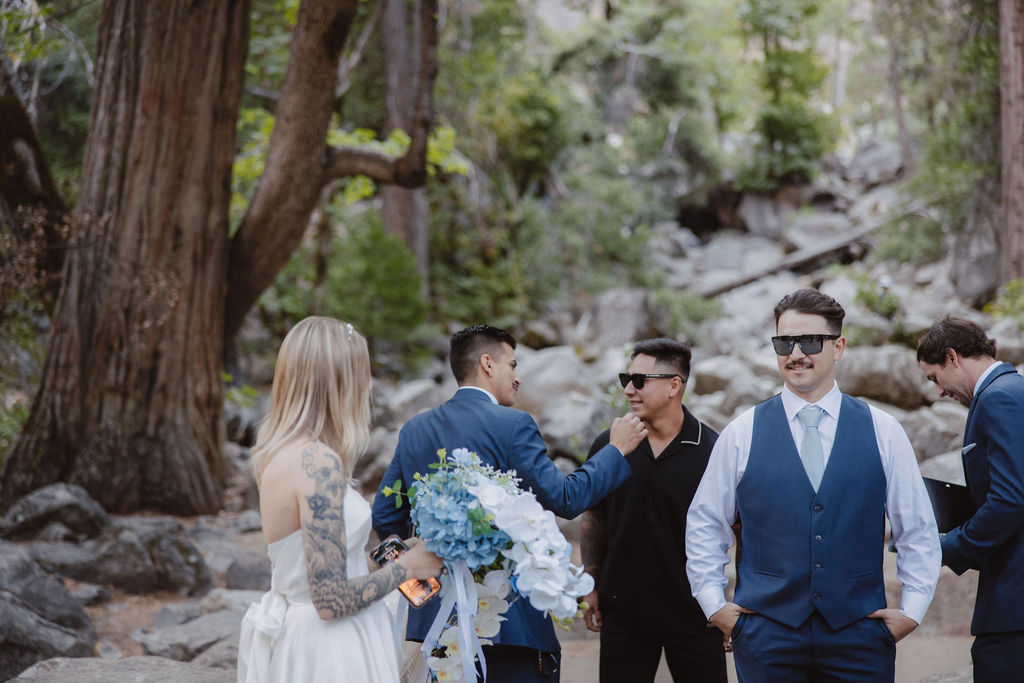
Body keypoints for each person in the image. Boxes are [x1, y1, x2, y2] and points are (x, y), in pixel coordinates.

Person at [685, 288, 941, 682]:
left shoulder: (883, 430)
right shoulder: (742, 431)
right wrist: (715, 605)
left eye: (809, 341)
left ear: (838, 347)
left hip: (859, 635)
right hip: (766, 636)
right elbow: (705, 522)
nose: (796, 353)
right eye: (784, 342)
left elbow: (918, 528)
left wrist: (912, 610)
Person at [372, 324, 647, 682]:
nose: (518, 378)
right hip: (508, 624)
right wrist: (616, 450)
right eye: (513, 365)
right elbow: (565, 498)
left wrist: (419, 582)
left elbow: (385, 516)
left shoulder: (416, 429)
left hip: (439, 624)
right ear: (487, 363)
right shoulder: (514, 425)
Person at [237, 317, 443, 683]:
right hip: (330, 650)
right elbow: (330, 601)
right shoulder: (318, 463)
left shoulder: (283, 453)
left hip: (309, 636)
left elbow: (313, 569)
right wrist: (407, 569)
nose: (367, 386)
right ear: (337, 381)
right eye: (361, 373)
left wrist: (380, 560)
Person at [580, 338, 726, 682]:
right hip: (623, 611)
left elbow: (737, 529)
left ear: (674, 385)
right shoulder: (610, 445)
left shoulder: (712, 449)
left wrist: (731, 605)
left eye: (640, 381)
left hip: (695, 612)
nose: (629, 389)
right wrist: (589, 581)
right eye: (625, 380)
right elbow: (595, 516)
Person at [916, 315, 1024, 682]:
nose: (939, 391)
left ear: (951, 356)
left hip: (1015, 602)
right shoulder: (1012, 390)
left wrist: (949, 546)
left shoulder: (999, 398)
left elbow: (1010, 499)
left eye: (934, 377)